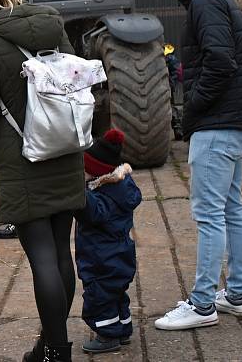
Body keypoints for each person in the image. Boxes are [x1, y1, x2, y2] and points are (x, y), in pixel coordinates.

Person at [0, 0, 85, 362]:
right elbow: (76, 85)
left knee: (40, 256)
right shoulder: (56, 28)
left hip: (20, 158)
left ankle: (57, 350)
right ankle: (49, 344)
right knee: (60, 253)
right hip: (64, 151)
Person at [155, 0, 242, 331]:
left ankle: (201, 305)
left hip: (217, 124)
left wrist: (192, 107)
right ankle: (237, 294)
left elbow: (220, 62)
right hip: (232, 124)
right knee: (231, 208)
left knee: (208, 215)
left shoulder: (205, 1)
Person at [74, 129, 141, 354]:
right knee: (116, 294)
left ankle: (107, 335)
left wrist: (79, 194)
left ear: (96, 171)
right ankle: (123, 328)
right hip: (119, 254)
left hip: (101, 258)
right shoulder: (121, 188)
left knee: (99, 298)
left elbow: (94, 214)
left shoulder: (103, 194)